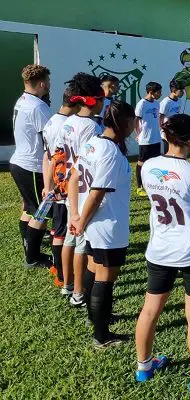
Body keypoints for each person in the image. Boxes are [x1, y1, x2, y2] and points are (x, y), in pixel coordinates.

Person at [134, 113, 190, 392]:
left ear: (165, 135)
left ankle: (144, 366)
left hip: (159, 250)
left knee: (150, 310)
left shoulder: (148, 166)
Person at [68, 99, 134, 349]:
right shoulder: (109, 151)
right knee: (106, 277)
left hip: (92, 221)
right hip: (107, 224)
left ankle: (95, 317)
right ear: (125, 122)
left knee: (94, 268)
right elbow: (96, 192)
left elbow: (74, 178)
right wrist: (80, 221)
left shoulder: (92, 143)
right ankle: (102, 336)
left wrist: (75, 215)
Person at [57, 73, 105, 308]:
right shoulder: (91, 128)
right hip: (83, 191)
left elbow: (59, 156)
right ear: (95, 100)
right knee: (81, 244)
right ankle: (78, 292)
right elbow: (90, 162)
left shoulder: (68, 122)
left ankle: (66, 284)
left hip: (69, 189)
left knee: (69, 238)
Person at [9, 64, 52, 268]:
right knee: (41, 210)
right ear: (43, 83)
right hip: (32, 166)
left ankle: (29, 242)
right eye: (48, 82)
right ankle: (32, 257)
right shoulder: (38, 106)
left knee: (28, 206)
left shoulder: (23, 100)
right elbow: (50, 139)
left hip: (18, 162)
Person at [43, 84, 79, 291]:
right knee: (62, 232)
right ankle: (63, 273)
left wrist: (48, 186)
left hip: (57, 184)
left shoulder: (52, 122)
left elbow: (48, 157)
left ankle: (60, 270)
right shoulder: (65, 125)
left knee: (59, 229)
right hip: (65, 187)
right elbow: (55, 158)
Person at [135, 82, 163, 196]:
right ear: (151, 92)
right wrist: (138, 133)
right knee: (142, 162)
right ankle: (139, 186)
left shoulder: (157, 104)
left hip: (156, 138)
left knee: (155, 162)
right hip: (145, 139)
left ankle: (153, 184)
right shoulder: (142, 104)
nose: (160, 94)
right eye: (159, 92)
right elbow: (136, 119)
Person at [159, 80, 185, 154]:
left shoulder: (179, 101)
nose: (183, 92)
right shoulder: (166, 102)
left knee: (176, 151)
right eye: (181, 90)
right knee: (167, 152)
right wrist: (162, 129)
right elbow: (160, 116)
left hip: (175, 130)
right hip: (167, 130)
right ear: (174, 90)